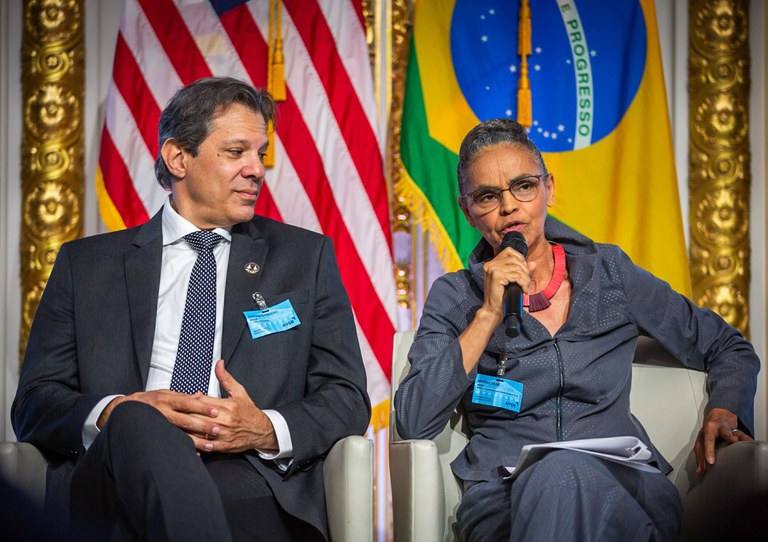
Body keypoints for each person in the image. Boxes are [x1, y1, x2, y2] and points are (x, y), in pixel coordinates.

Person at [12, 76, 370, 542]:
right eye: (235, 151)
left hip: (246, 474)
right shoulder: (86, 265)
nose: (256, 169)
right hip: (110, 474)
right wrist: (116, 412)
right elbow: (36, 403)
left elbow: (346, 396)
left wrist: (263, 428)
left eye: (259, 154)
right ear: (178, 157)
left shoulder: (304, 259)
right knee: (137, 421)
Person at [394, 118, 760, 541]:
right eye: (489, 197)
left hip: (628, 482)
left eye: (523, 186)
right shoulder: (454, 297)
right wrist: (488, 314)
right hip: (505, 498)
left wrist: (724, 409)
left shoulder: (610, 274)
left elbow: (726, 345)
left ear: (548, 188)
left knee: (567, 476)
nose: (509, 206)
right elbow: (414, 418)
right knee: (558, 477)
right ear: (468, 211)